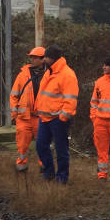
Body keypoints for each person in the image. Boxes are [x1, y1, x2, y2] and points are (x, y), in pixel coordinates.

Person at [36, 45, 78, 184]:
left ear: (51, 58)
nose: (43, 61)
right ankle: (49, 173)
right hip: (45, 118)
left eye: (45, 57)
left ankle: (62, 177)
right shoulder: (50, 72)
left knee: (61, 150)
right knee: (41, 146)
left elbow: (70, 99)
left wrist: (63, 117)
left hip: (58, 119)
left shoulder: (67, 74)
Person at [10, 46, 46, 172]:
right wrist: (14, 112)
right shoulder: (22, 75)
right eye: (31, 57)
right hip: (24, 117)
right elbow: (14, 95)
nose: (32, 59)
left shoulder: (49, 75)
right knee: (22, 145)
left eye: (35, 57)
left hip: (41, 117)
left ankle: (45, 167)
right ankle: (21, 166)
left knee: (42, 145)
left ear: (43, 59)